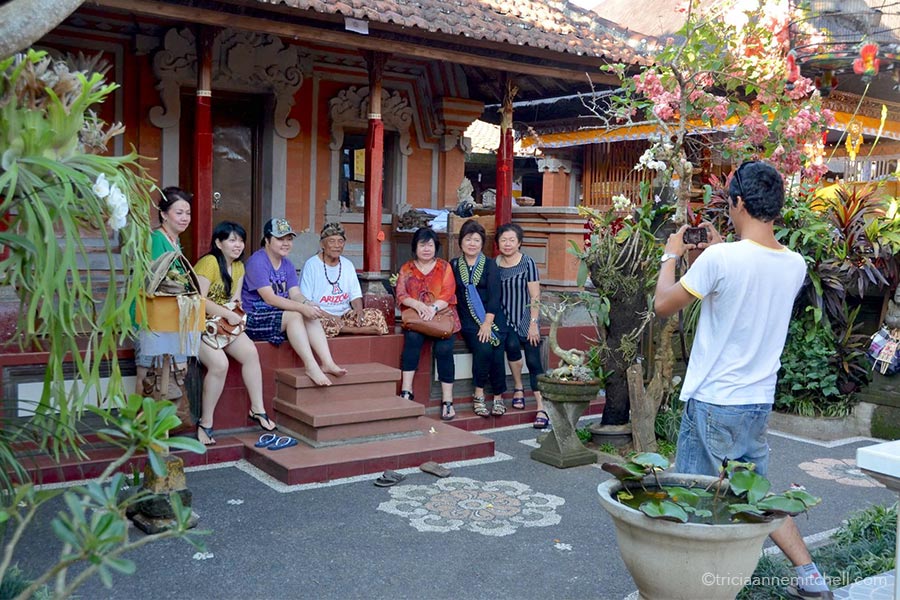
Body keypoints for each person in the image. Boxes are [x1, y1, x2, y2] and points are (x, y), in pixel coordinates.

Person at [654, 161, 833, 600]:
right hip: (756, 402)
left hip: (715, 402)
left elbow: (663, 303)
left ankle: (692, 589)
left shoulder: (721, 259)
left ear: (736, 202)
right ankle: (810, 576)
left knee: (692, 502)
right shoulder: (794, 263)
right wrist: (715, 254)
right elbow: (742, 289)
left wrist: (672, 255)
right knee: (755, 490)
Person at [193, 221, 276, 445]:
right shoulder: (208, 263)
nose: (237, 245)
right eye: (231, 240)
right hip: (199, 326)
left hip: (222, 324)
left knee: (250, 352)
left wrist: (234, 314)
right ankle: (206, 423)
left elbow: (235, 300)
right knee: (220, 364)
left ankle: (257, 408)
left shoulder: (239, 267)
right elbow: (197, 301)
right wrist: (227, 314)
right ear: (218, 243)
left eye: (240, 240)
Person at [242, 217, 346, 387]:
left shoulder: (287, 264)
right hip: (254, 318)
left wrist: (307, 303)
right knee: (296, 316)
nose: (286, 243)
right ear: (267, 240)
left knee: (309, 313)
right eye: (280, 239)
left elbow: (295, 293)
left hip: (277, 315)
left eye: (289, 239)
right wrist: (301, 308)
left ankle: (327, 362)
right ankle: (311, 366)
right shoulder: (257, 261)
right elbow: (270, 298)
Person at [134, 186, 199, 410]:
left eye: (188, 213)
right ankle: (144, 432)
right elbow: (151, 281)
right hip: (152, 318)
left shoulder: (175, 241)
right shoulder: (155, 239)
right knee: (148, 376)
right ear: (163, 213)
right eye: (179, 212)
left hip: (171, 319)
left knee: (170, 379)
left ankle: (162, 434)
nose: (185, 218)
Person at [396, 227, 460, 421]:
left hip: (442, 317)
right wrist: (418, 305)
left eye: (430, 245)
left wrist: (431, 309)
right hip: (417, 319)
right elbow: (401, 294)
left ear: (436, 247)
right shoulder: (407, 268)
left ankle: (447, 401)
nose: (426, 249)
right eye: (422, 245)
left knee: (444, 349)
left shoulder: (444, 267)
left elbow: (447, 294)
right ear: (415, 247)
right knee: (412, 341)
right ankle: (406, 391)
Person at [451, 220, 508, 417]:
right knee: (484, 348)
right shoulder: (455, 265)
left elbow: (494, 297)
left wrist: (487, 323)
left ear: (482, 243)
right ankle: (479, 393)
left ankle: (499, 396)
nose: (472, 244)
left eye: (476, 240)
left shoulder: (491, 265)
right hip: (468, 319)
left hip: (491, 317)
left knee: (496, 347)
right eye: (468, 239)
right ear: (461, 242)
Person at [496, 223, 548, 429]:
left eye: (511, 240)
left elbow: (535, 296)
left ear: (519, 242)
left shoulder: (528, 263)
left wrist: (534, 323)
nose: (507, 244)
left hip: (526, 316)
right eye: (503, 240)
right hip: (505, 319)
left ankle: (542, 407)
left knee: (534, 361)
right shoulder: (495, 264)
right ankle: (518, 387)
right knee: (511, 349)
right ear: (498, 242)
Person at [299, 222, 389, 337]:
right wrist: (330, 317)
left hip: (344, 315)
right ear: (322, 244)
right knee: (314, 323)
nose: (337, 245)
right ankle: (355, 330)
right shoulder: (311, 265)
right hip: (322, 315)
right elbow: (306, 303)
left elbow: (355, 296)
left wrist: (358, 311)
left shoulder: (348, 265)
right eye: (332, 241)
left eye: (340, 241)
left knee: (377, 316)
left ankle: (347, 328)